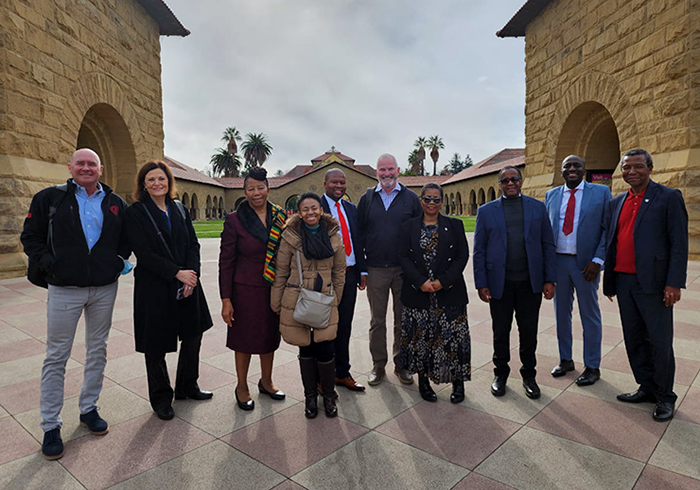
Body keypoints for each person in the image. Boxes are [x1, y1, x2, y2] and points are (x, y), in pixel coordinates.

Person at [20, 148, 130, 460]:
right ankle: (51, 424)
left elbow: (125, 240)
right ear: (70, 167)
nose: (85, 168)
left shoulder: (115, 204)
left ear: (101, 168)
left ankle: (89, 408)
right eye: (80, 163)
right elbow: (31, 237)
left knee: (98, 350)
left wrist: (116, 262)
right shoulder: (50, 199)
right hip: (64, 289)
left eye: (91, 164)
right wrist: (50, 265)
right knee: (57, 356)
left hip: (104, 288)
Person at [603, 149, 688, 422]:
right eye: (626, 168)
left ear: (650, 168)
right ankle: (646, 386)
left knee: (660, 341)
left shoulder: (668, 197)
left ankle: (665, 396)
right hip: (624, 281)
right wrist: (611, 282)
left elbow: (679, 244)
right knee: (635, 338)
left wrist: (673, 283)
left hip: (654, 283)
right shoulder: (616, 202)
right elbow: (613, 242)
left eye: (638, 166)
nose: (631, 172)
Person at [124, 161, 213, 421]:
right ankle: (162, 398)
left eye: (161, 179)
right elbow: (144, 253)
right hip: (154, 285)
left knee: (193, 334)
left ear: (169, 181)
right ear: (143, 184)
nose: (157, 183)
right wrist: (176, 272)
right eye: (151, 179)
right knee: (156, 344)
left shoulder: (180, 208)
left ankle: (187, 386)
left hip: (187, 283)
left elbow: (192, 245)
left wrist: (191, 276)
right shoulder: (136, 213)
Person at [473, 166, 556, 399]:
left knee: (528, 331)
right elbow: (479, 250)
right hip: (500, 283)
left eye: (514, 179)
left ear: (521, 181)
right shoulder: (487, 211)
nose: (510, 183)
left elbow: (547, 245)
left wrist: (550, 279)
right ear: (499, 184)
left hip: (530, 283)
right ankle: (500, 374)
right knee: (500, 331)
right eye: (505, 180)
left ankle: (529, 375)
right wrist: (481, 282)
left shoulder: (537, 208)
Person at [271, 193, 346, 418]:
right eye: (305, 209)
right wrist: (276, 302)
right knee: (306, 348)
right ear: (299, 213)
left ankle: (329, 396)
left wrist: (336, 298)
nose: (310, 212)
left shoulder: (333, 236)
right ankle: (310, 398)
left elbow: (339, 271)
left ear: (321, 210)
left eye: (314, 208)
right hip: (296, 298)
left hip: (324, 298)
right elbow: (281, 271)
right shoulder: (290, 237)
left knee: (325, 349)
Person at [219, 167, 287, 411]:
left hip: (272, 288)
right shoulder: (235, 220)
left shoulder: (280, 217)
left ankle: (267, 381)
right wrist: (226, 299)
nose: (256, 193)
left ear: (268, 189)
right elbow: (226, 262)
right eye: (251, 189)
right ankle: (241, 386)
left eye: (260, 187)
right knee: (244, 340)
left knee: (269, 337)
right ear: (244, 192)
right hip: (244, 290)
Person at [398, 184, 471, 404]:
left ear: (442, 202)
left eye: (436, 199)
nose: (431, 203)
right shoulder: (408, 227)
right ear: (421, 201)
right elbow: (402, 256)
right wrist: (420, 282)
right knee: (422, 340)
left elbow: (462, 256)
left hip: (449, 294)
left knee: (453, 340)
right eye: (427, 199)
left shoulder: (454, 225)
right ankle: (424, 382)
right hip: (417, 293)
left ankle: (457, 383)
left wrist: (442, 282)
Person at [545, 155, 611, 386]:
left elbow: (607, 230)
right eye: (567, 166)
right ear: (561, 170)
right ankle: (566, 360)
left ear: (584, 170)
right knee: (561, 314)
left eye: (577, 166)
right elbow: (547, 233)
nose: (572, 169)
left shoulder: (601, 193)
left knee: (589, 315)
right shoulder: (551, 195)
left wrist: (598, 260)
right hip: (559, 263)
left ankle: (592, 366)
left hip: (586, 265)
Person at [357, 153, 422, 386]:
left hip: (404, 271)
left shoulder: (411, 199)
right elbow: (359, 235)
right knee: (377, 320)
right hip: (376, 270)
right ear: (376, 173)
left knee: (403, 320)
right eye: (382, 170)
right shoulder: (367, 199)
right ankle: (378, 365)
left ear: (398, 170)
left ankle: (402, 365)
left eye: (390, 169)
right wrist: (362, 269)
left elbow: (419, 234)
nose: (386, 174)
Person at [320, 169, 367, 392]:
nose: (338, 186)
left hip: (349, 274)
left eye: (342, 182)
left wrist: (362, 271)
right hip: (326, 277)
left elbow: (358, 240)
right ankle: (322, 378)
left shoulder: (350, 208)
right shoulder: (316, 208)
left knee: (344, 325)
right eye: (334, 182)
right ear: (324, 183)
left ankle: (342, 372)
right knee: (324, 326)